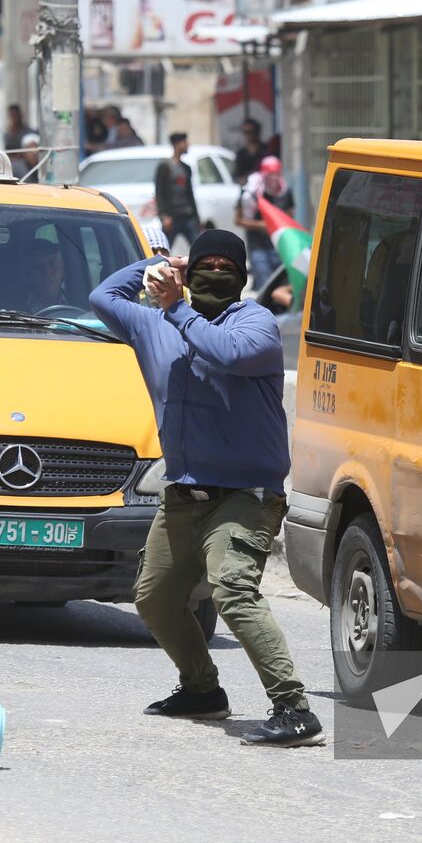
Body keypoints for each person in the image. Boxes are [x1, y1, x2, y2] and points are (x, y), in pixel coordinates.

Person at [89, 230, 323, 747]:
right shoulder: (152, 324)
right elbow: (103, 297)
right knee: (155, 598)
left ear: (241, 277)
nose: (215, 273)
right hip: (184, 491)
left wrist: (177, 306)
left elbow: (230, 355)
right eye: (204, 264)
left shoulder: (254, 322)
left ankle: (294, 709)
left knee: (233, 589)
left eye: (226, 266)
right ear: (188, 270)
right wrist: (157, 262)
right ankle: (201, 689)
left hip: (245, 494)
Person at [235, 155, 293, 289]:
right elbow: (238, 220)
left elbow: (289, 218)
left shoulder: (284, 192)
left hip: (278, 247)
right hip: (258, 247)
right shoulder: (250, 193)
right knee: (264, 283)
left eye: (276, 174)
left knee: (280, 285)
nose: (273, 179)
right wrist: (261, 225)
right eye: (270, 175)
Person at [154, 133, 199, 249]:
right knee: (164, 248)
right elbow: (159, 193)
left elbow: (190, 194)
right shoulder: (165, 166)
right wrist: (164, 216)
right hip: (172, 217)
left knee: (198, 246)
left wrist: (197, 218)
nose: (187, 145)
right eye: (184, 142)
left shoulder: (186, 168)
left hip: (187, 216)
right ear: (176, 144)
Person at [20, 239, 69, 312]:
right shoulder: (11, 306)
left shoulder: (78, 302)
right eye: (37, 266)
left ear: (63, 269)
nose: (47, 273)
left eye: (52, 264)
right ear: (27, 274)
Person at [4, 104, 36, 178]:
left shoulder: (29, 132)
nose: (14, 118)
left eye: (16, 115)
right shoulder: (7, 134)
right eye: (12, 115)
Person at [233, 119, 270, 183]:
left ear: (257, 132)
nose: (250, 135)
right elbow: (237, 175)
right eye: (247, 132)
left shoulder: (267, 151)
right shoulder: (241, 154)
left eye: (253, 132)